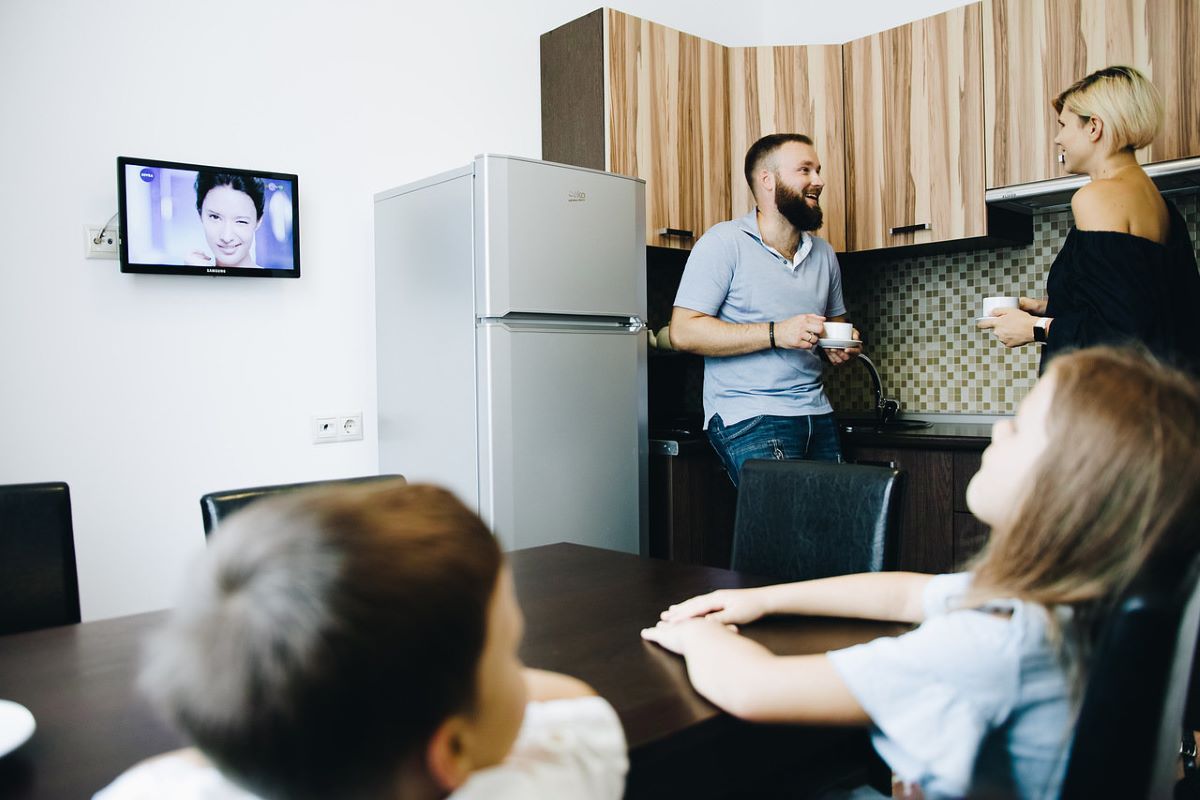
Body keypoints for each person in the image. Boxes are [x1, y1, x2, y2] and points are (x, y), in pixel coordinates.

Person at [641, 346, 1200, 799]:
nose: (1000, 427)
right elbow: (908, 594)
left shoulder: (991, 645)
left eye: (1023, 426)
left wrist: (699, 635)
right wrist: (766, 599)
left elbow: (754, 687)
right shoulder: (1061, 603)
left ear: (1070, 490)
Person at [94, 482, 627, 800]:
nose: (520, 669)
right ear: (452, 750)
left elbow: (168, 771)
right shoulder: (554, 775)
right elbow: (578, 703)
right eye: (510, 653)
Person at [980, 66, 1200, 375]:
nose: (1057, 138)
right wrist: (1047, 307)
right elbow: (1139, 310)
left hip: (1112, 399)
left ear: (1094, 127)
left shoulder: (1097, 197)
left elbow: (1118, 335)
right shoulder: (1159, 204)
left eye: (1063, 125)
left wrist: (1035, 328)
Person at [669, 133, 861, 485]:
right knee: (783, 519)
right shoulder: (723, 243)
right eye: (805, 170)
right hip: (751, 416)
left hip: (818, 413)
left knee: (835, 519)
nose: (818, 181)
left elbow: (833, 326)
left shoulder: (824, 254)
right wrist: (777, 333)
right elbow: (683, 332)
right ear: (767, 179)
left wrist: (839, 346)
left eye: (818, 170)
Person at [185, 172, 266, 268]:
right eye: (215, 217)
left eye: (241, 221)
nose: (226, 237)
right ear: (200, 215)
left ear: (258, 221)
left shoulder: (273, 278)